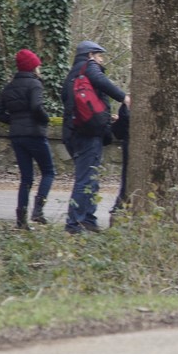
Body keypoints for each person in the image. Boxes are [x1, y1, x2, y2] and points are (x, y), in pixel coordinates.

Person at [61, 40, 130, 234]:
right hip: (86, 135)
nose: (101, 61)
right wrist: (124, 97)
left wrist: (106, 118)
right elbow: (101, 81)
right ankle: (74, 224)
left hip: (76, 133)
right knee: (85, 179)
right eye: (100, 56)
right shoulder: (88, 67)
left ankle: (88, 219)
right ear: (90, 55)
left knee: (91, 179)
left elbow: (79, 105)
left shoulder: (73, 75)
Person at [0, 49, 56, 229]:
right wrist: (45, 118)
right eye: (38, 66)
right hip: (34, 133)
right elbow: (36, 107)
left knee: (26, 178)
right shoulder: (35, 84)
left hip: (17, 136)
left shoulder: (9, 86)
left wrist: (13, 120)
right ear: (33, 67)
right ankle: (38, 210)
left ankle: (21, 220)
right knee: (49, 172)